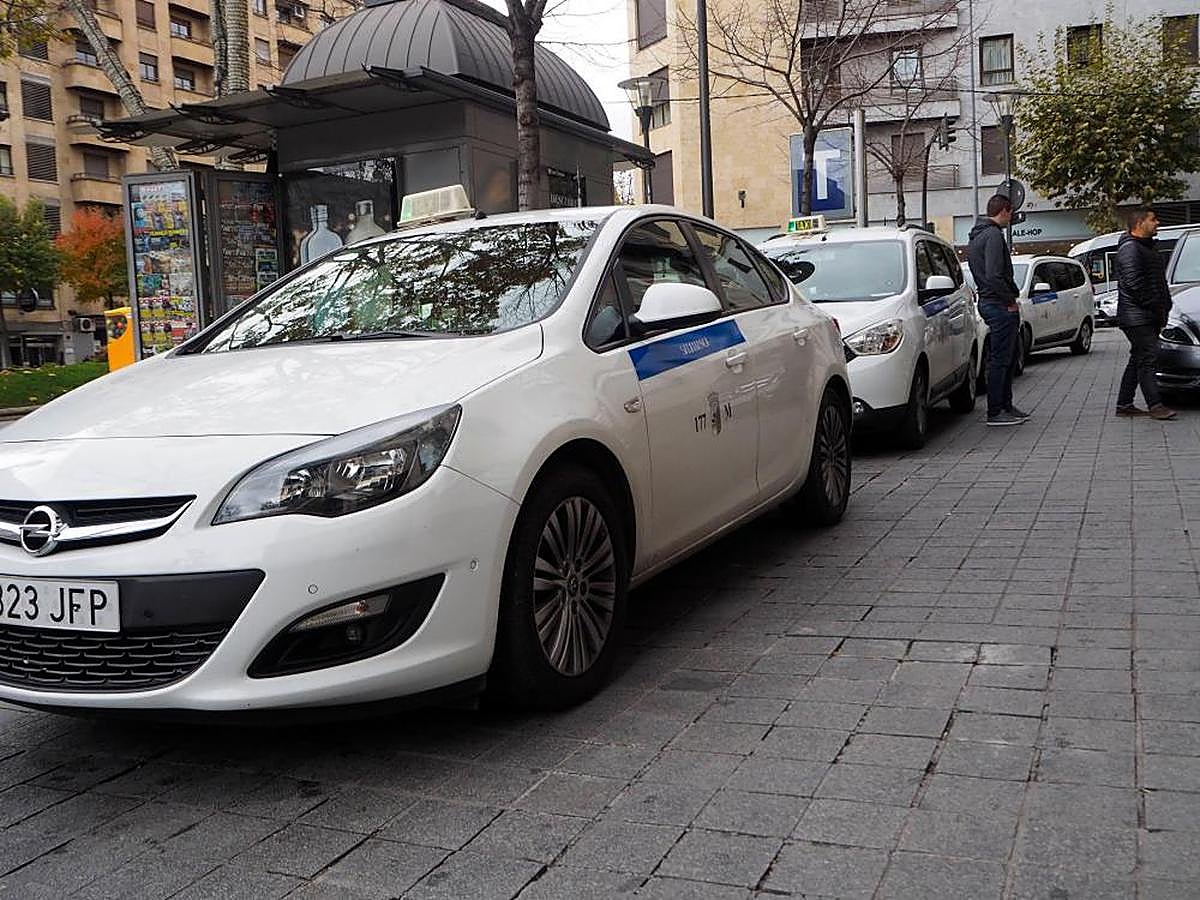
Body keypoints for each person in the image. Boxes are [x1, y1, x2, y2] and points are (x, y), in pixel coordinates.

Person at [967, 194, 1029, 427]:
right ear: (1004, 210)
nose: (1011, 218)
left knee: (1005, 357)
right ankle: (997, 410)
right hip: (998, 303)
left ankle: (1005, 406)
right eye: (1011, 213)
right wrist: (1009, 300)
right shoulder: (993, 235)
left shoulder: (978, 235)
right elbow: (994, 274)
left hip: (989, 300)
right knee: (1002, 359)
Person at [1114, 206, 1175, 420]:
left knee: (1138, 357)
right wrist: (1158, 307)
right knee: (1148, 358)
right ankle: (1155, 405)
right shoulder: (1130, 249)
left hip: (1146, 315)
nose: (1157, 223)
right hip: (1137, 317)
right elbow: (1135, 285)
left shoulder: (1147, 247)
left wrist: (1165, 306)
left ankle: (1124, 404)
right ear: (1140, 224)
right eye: (1153, 219)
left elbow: (1159, 282)